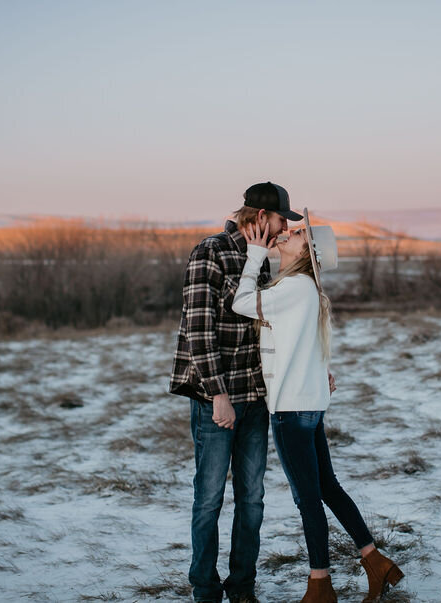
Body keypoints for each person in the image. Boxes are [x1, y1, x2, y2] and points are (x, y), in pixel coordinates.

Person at [231, 210, 404, 603]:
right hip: (307, 407)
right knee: (328, 487)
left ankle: (320, 585)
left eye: (294, 233)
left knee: (308, 499)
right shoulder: (306, 289)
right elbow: (307, 347)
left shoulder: (294, 289)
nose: (285, 234)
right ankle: (374, 560)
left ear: (307, 251)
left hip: (292, 410)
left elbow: (241, 302)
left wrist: (255, 253)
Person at [169, 182, 303, 603]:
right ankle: (205, 590)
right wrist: (217, 395)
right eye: (283, 219)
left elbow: (278, 327)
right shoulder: (210, 251)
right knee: (209, 498)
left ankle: (242, 587)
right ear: (261, 217)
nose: (286, 229)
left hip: (257, 400)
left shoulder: (265, 263)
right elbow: (198, 329)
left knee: (254, 499)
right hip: (218, 400)